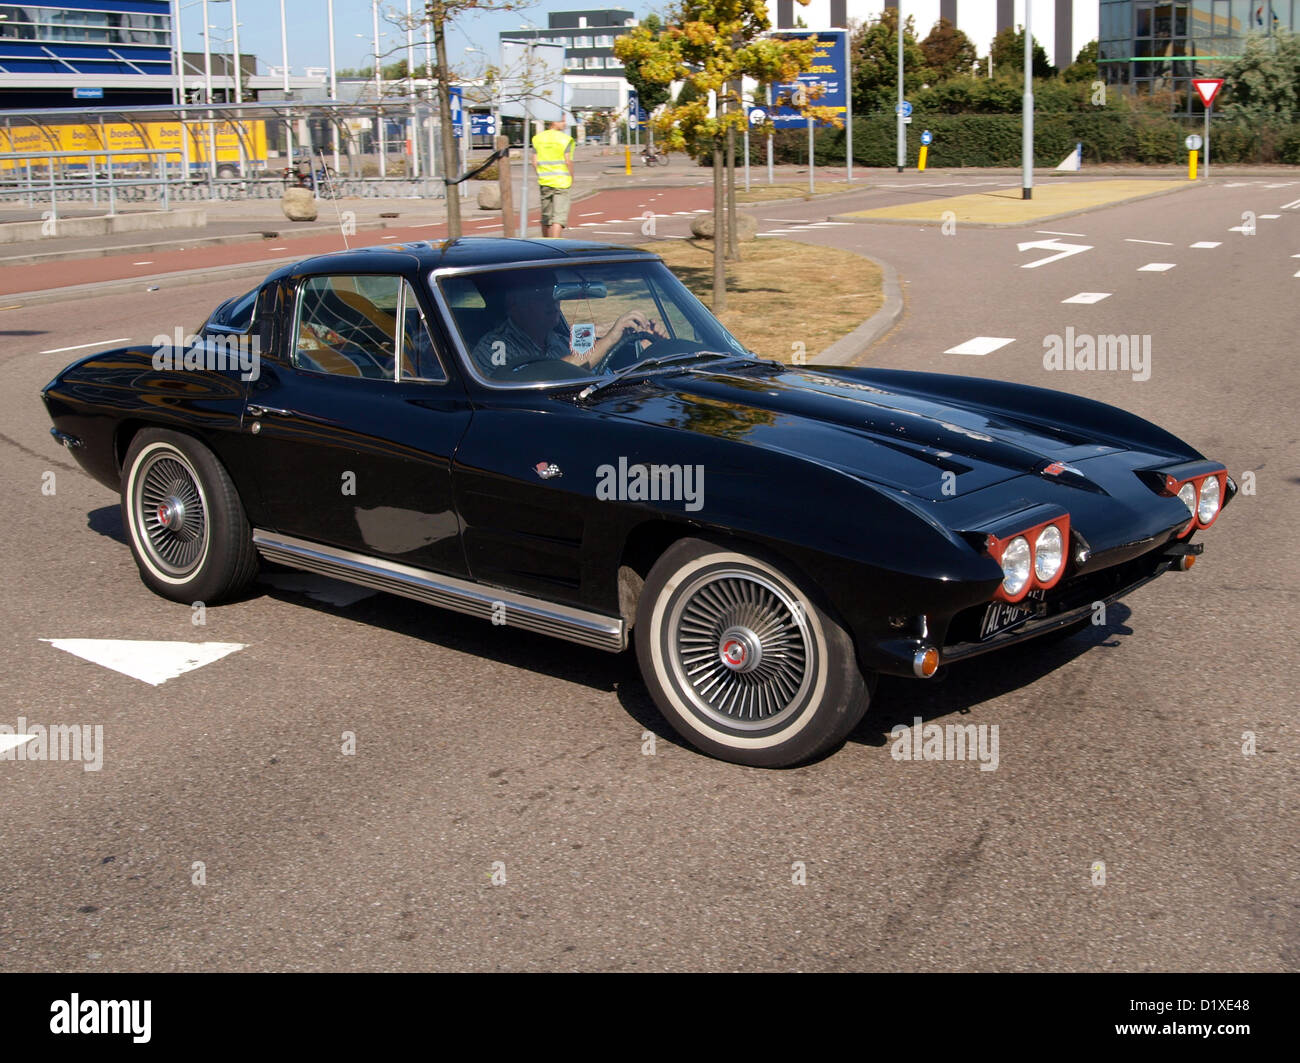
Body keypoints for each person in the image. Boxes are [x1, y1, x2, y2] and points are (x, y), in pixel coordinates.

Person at [471, 273, 666, 376]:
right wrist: (610, 339)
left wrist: (648, 350)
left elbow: (604, 375)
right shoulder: (494, 346)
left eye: (555, 294)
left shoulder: (562, 341)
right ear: (514, 303)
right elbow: (537, 377)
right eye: (540, 295)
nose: (552, 302)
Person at [532, 119, 575, 238]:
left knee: (546, 216)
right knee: (559, 217)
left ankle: (545, 243)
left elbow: (534, 162)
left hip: (545, 181)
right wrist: (571, 177)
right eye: (562, 121)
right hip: (562, 182)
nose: (565, 124)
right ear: (553, 122)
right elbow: (568, 161)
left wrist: (541, 174)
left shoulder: (537, 138)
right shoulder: (565, 139)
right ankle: (556, 243)